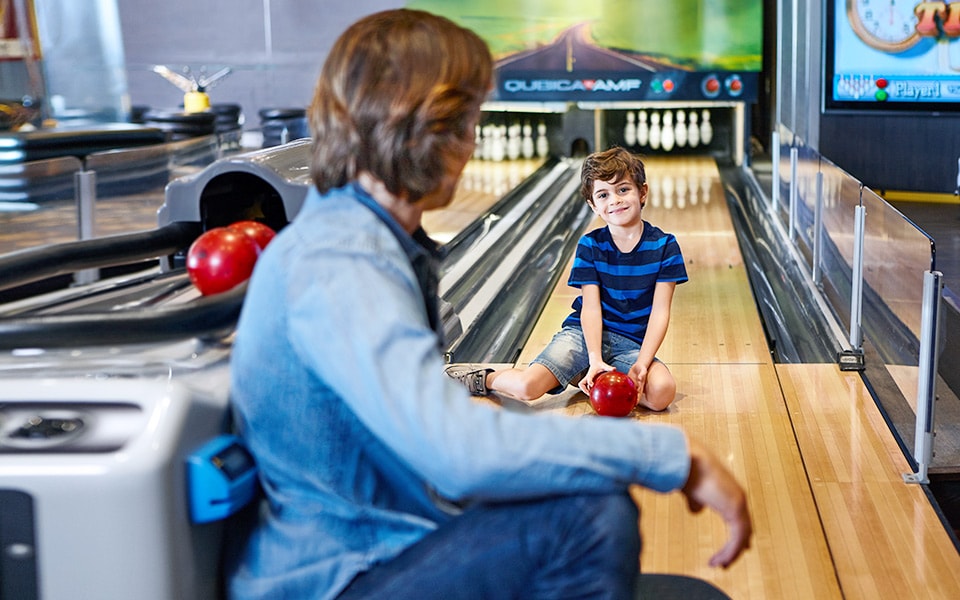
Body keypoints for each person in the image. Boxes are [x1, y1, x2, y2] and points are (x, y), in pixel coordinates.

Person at [227, 9, 751, 600]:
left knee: (573, 492)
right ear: (427, 129)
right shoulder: (343, 263)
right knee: (590, 514)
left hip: (394, 539)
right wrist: (669, 453)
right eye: (469, 119)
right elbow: (457, 453)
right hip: (343, 574)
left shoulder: (360, 241)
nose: (474, 139)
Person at [448, 147, 685, 412]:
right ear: (593, 206)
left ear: (642, 192)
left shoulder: (665, 246)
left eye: (623, 190)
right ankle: (481, 377)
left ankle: (586, 376)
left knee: (662, 393)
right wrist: (594, 357)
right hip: (582, 337)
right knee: (528, 388)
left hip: (631, 345)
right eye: (603, 195)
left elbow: (660, 312)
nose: (615, 200)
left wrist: (642, 363)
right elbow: (591, 308)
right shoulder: (590, 245)